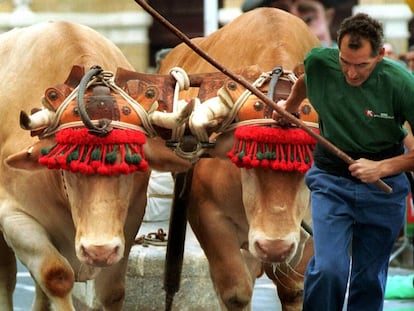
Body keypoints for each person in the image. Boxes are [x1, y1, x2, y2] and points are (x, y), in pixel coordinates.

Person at [275, 13, 414, 310]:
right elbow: (305, 80)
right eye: (345, 62)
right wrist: (290, 106)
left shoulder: (402, 84)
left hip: (384, 189)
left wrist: (382, 168)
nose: (351, 73)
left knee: (369, 279)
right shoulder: (321, 62)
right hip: (331, 181)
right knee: (329, 269)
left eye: (361, 65)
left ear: (379, 55)